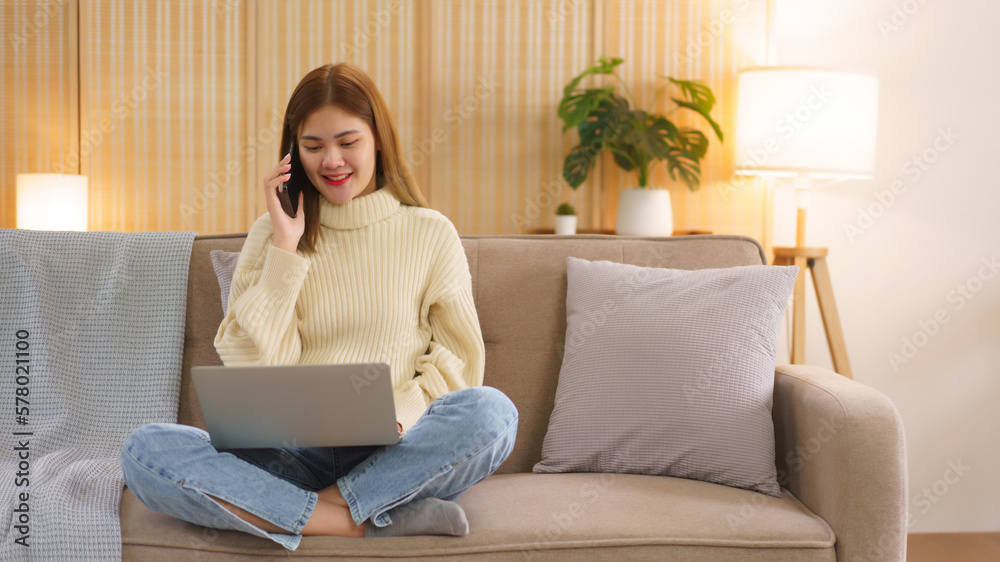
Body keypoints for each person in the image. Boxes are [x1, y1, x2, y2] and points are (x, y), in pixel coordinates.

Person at [119, 62, 518, 551]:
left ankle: (300, 509)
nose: (331, 161)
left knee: (493, 413)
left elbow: (459, 361)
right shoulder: (273, 233)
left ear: (378, 141)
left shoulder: (430, 233)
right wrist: (285, 250)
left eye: (348, 142)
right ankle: (364, 518)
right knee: (145, 450)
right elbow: (252, 367)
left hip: (395, 449)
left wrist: (399, 414)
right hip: (289, 455)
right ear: (293, 152)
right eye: (313, 146)